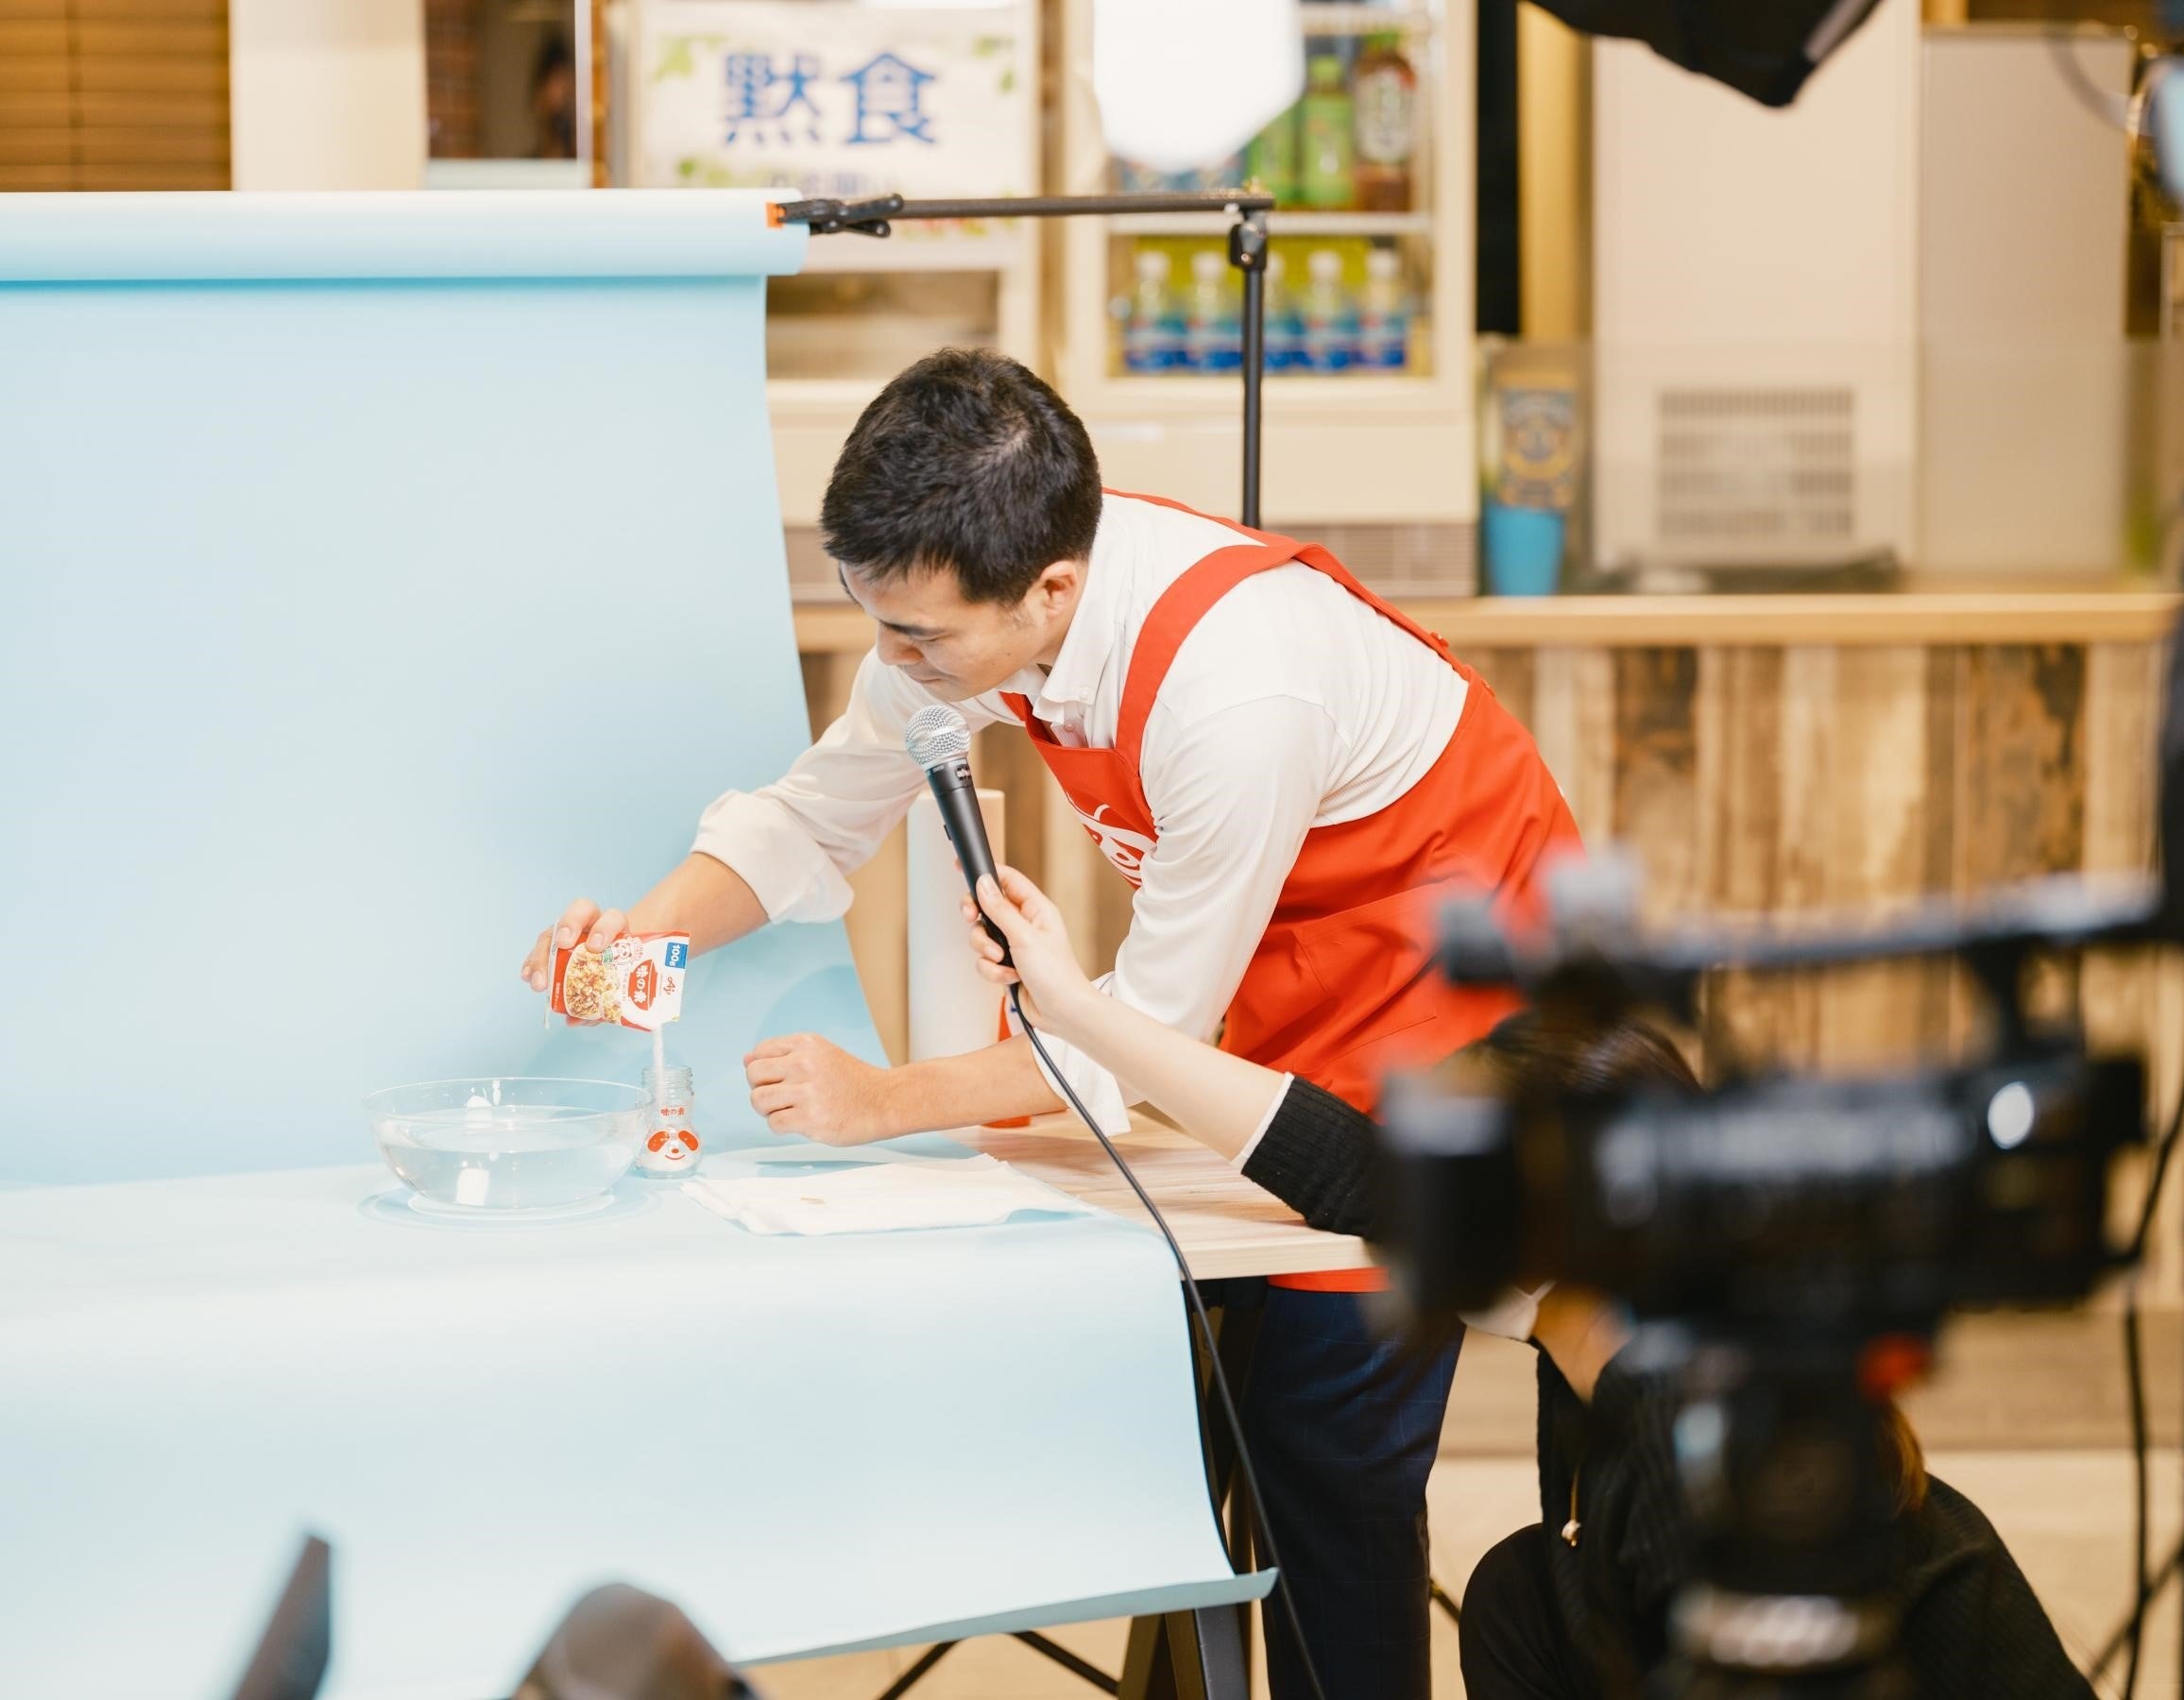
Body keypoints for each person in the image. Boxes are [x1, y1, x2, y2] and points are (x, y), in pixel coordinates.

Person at [521, 348, 1581, 1699]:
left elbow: (1123, 1042)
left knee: (1324, 1440)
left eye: (920, 638)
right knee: (1181, 1401)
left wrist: (885, 1100)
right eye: (874, 621)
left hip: (1455, 1000)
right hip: (1270, 982)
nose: (894, 664)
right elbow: (813, 816)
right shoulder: (973, 597)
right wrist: (638, 942)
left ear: (1052, 592)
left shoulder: (1238, 693)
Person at [959, 862, 2096, 1700]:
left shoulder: (1676, 1419)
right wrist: (1082, 1013)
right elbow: (1345, 1169)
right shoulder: (1615, 1331)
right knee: (1521, 1592)